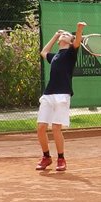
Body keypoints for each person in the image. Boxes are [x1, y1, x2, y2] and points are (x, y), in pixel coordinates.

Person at [36, 21, 86, 171]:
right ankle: (46, 157)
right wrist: (55, 36)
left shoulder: (71, 53)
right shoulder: (55, 56)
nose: (63, 35)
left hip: (62, 94)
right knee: (41, 127)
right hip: (48, 94)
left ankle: (61, 158)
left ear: (70, 41)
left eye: (66, 35)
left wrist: (78, 29)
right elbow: (43, 52)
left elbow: (77, 42)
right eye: (62, 34)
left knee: (56, 128)